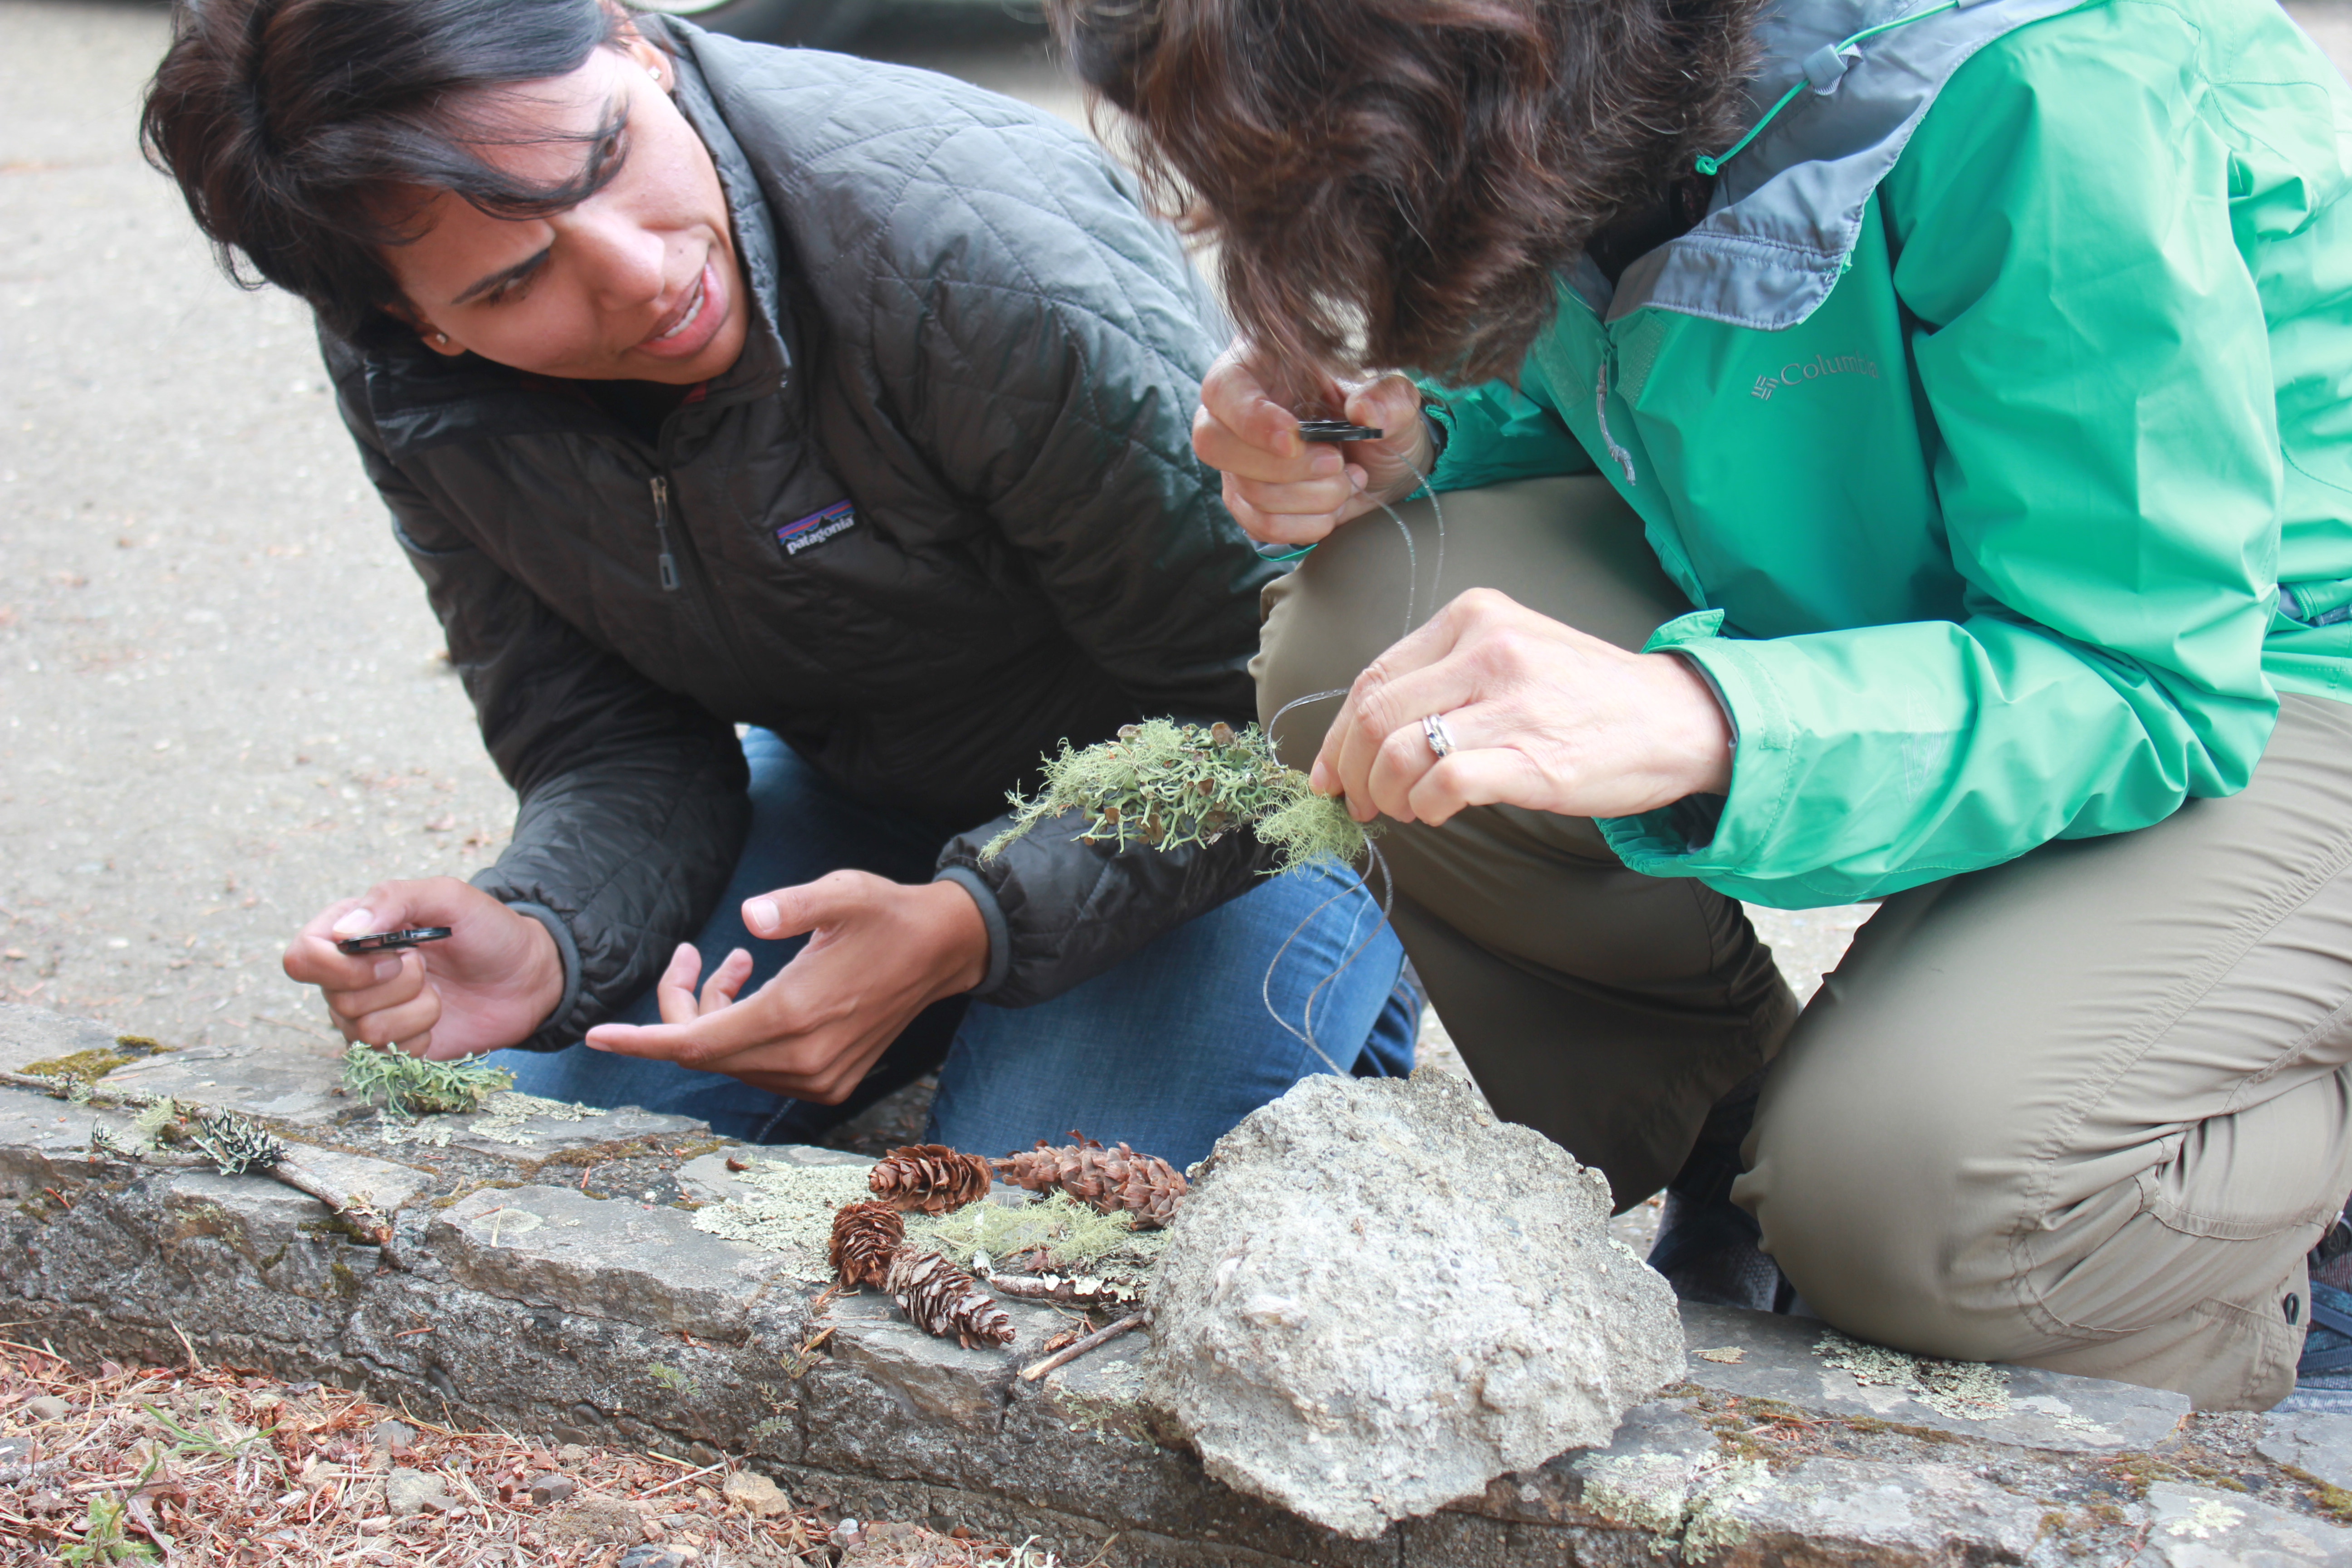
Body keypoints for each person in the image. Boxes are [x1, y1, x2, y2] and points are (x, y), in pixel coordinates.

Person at [1050, 0, 2352, 1408]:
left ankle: (2257, 1225)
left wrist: (1712, 719)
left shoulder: (2047, 78)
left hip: (2257, 677)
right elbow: (1689, 391)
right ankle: (1728, 1146)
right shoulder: (1609, 76)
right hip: (1972, 606)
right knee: (1370, 645)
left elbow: (2141, 674)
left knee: (1922, 1203)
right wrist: (1416, 427)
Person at [139, 0, 1415, 1172]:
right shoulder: (415, 377)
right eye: (513, 282)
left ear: (632, 43)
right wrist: (548, 935)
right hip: (876, 794)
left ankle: (1358, 1014)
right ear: (417, 322)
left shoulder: (968, 245)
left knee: (1015, 1234)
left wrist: (969, 924)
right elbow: (602, 732)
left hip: (1235, 802)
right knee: (507, 1149)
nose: (635, 271)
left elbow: (1273, 706)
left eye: (605, 159)